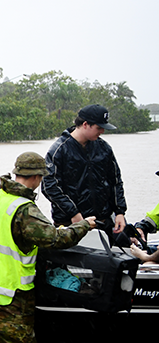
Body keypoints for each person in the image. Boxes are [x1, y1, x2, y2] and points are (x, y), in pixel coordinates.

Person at [0, 152, 97, 343]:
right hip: (11, 297)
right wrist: (84, 225)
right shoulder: (24, 209)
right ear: (37, 178)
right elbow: (56, 239)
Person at [42, 104, 127, 245]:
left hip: (102, 222)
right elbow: (49, 187)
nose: (102, 131)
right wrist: (73, 213)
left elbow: (116, 181)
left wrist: (120, 212)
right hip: (71, 224)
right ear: (85, 124)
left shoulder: (104, 148)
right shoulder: (59, 150)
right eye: (99, 128)